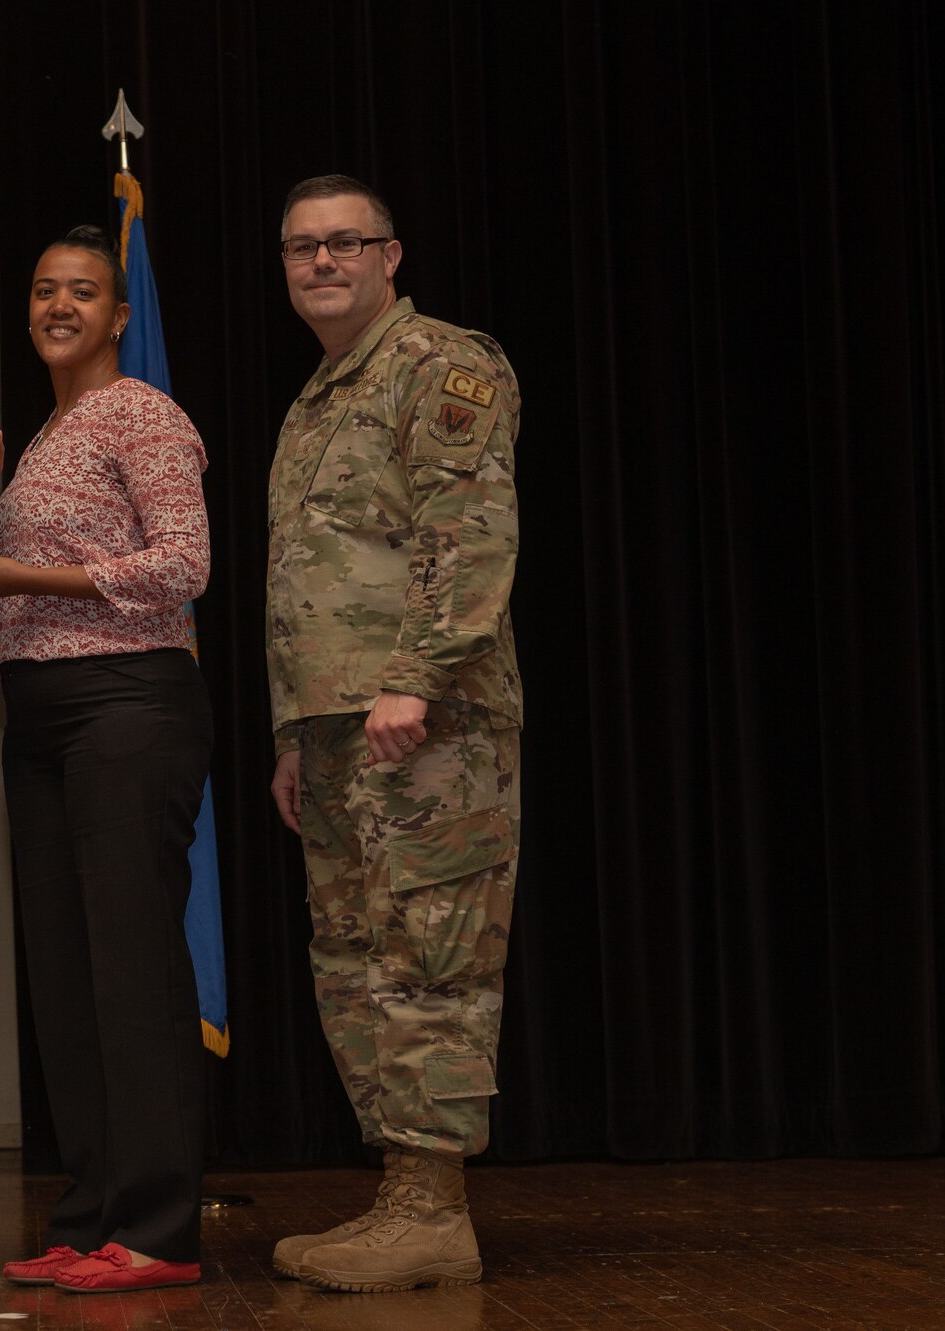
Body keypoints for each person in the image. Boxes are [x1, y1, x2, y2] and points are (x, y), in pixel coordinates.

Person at [263, 174, 523, 1294]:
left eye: (343, 244)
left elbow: (464, 532)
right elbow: (306, 583)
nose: (320, 263)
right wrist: (290, 732)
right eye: (300, 248)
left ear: (389, 256)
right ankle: (400, 1195)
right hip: (333, 729)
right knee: (354, 956)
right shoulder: (319, 395)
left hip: (426, 720)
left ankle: (431, 1207)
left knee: (428, 948)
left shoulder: (440, 364)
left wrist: (413, 679)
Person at [0, 225, 212, 1295]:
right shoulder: (40, 434)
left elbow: (184, 562)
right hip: (41, 717)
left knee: (132, 970)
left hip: (128, 705)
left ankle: (157, 1229)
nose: (59, 304)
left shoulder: (140, 411)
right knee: (64, 973)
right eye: (44, 289)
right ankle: (90, 1209)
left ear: (118, 313)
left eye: (82, 291)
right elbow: (18, 576)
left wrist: (26, 578)